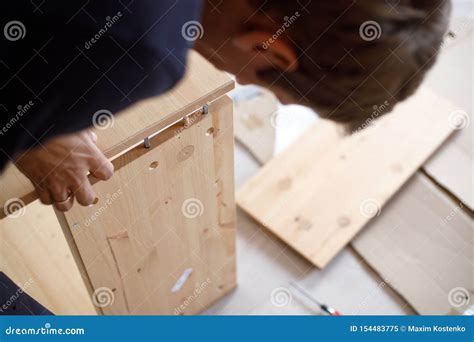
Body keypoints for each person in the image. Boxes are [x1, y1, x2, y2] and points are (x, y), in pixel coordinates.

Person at [1, 0, 450, 212]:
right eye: (270, 87)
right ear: (270, 49)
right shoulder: (143, 49)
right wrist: (35, 136)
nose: (236, 81)